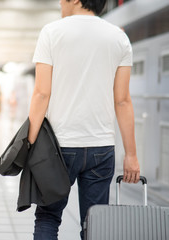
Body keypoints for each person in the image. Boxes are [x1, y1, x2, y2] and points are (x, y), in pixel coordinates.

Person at [27, 0, 140, 239]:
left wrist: (29, 143)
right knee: (95, 225)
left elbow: (41, 93)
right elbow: (122, 101)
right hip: (100, 147)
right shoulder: (118, 38)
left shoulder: (51, 32)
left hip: (58, 147)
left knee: (48, 218)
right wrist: (131, 154)